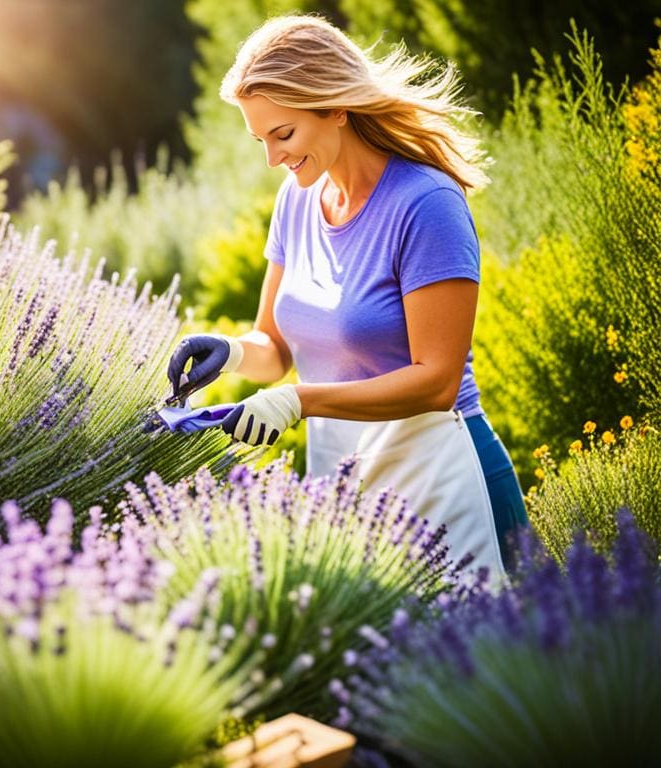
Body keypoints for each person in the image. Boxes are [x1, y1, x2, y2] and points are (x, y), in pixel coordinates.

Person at [166, 15, 528, 577]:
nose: (272, 158)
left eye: (282, 134)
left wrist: (300, 401)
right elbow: (275, 350)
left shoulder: (425, 203)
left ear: (335, 107)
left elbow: (436, 382)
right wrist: (233, 351)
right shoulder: (296, 200)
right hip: (347, 484)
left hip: (445, 478)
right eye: (260, 140)